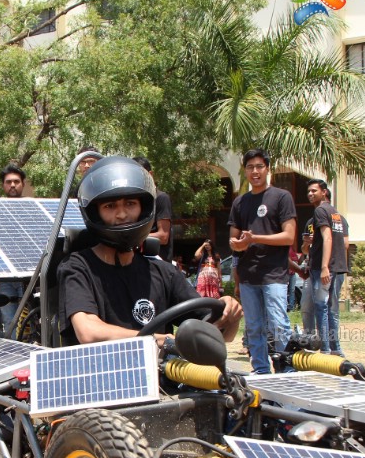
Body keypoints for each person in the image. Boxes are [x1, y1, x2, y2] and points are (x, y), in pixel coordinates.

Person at [58, 156, 241, 346]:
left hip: (157, 374)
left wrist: (230, 314)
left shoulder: (163, 273)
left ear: (144, 208)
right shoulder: (78, 267)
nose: (121, 214)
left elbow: (218, 337)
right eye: (110, 206)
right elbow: (89, 332)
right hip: (101, 372)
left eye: (130, 204)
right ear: (95, 213)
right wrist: (165, 340)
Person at [228, 149, 296, 374]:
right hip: (249, 275)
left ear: (267, 168)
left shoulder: (281, 197)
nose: (255, 171)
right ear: (245, 170)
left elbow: (289, 236)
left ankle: (286, 368)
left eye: (259, 167)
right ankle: (261, 370)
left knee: (278, 324)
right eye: (250, 167)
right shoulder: (240, 202)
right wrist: (237, 245)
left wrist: (254, 238)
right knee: (254, 327)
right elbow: (233, 239)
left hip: (274, 274)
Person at [306, 179, 348, 356]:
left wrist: (324, 267)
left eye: (314, 191)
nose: (310, 194)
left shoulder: (320, 211)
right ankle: (336, 348)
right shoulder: (337, 215)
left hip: (325, 268)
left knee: (321, 306)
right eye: (308, 191)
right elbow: (345, 243)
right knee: (332, 308)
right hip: (338, 267)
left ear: (324, 192)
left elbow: (327, 237)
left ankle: (325, 348)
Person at [0, 164, 28, 330]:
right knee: (9, 321)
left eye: (16, 181)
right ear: (3, 185)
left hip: (28, 275)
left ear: (23, 184)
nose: (12, 185)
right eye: (8, 182)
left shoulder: (32, 207)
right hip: (4, 276)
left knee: (29, 321)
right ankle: (15, 355)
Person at [134, 157, 173, 263]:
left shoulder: (161, 198)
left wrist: (133, 236)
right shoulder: (137, 201)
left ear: (150, 174)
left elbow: (163, 237)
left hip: (158, 263)